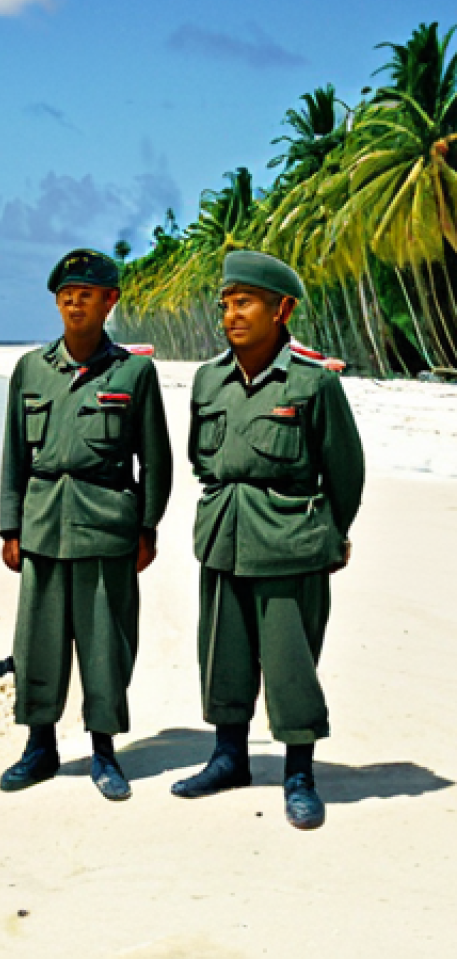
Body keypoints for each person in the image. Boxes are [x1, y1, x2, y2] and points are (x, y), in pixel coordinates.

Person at [171, 250, 364, 830]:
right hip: (223, 537)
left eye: (245, 302)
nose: (231, 314)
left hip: (289, 542)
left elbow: (345, 471)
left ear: (282, 309)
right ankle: (228, 758)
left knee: (290, 663)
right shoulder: (208, 380)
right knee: (223, 656)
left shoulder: (312, 382)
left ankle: (299, 775)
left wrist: (331, 535)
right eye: (227, 304)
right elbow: (203, 460)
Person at [0, 248, 173, 801]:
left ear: (110, 301)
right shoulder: (30, 369)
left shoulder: (134, 371)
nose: (74, 300)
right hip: (44, 524)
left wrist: (147, 527)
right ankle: (39, 747)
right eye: (65, 293)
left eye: (87, 292)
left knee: (106, 644)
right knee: (38, 644)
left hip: (107, 527)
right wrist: (9, 527)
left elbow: (156, 459)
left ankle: (103, 752)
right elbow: (12, 456)